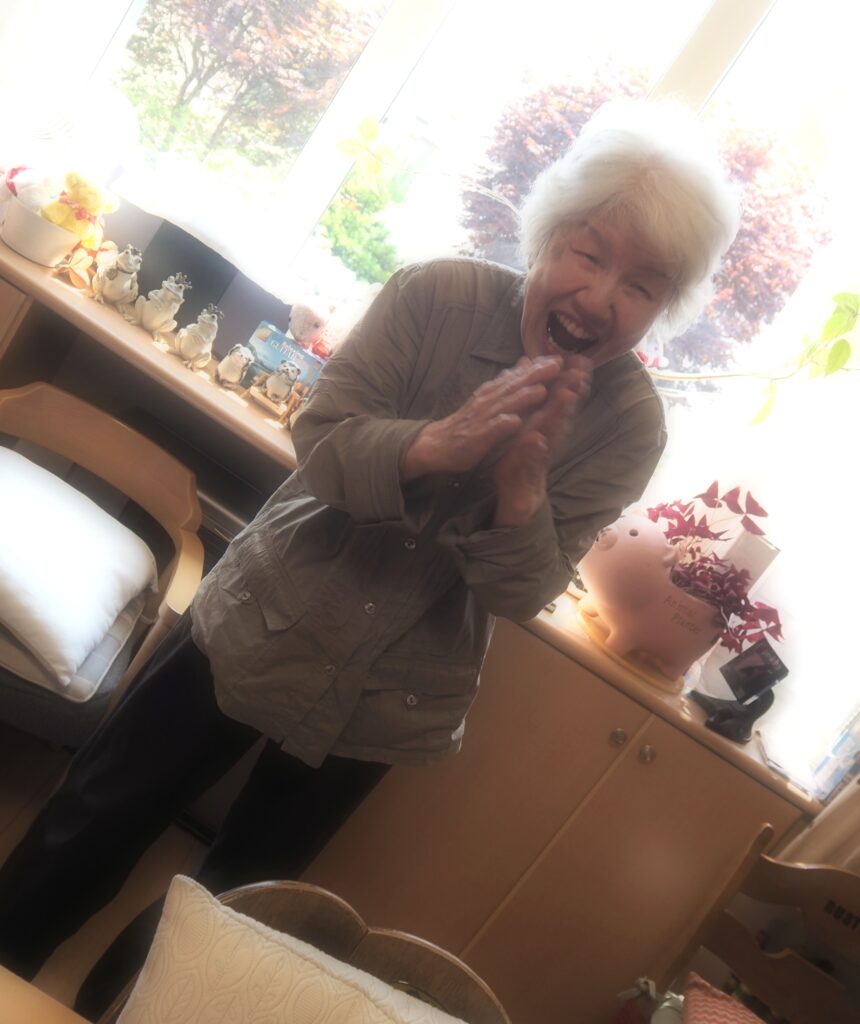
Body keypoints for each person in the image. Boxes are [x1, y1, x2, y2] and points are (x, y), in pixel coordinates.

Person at [0, 99, 740, 1013]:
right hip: (259, 620)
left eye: (642, 285)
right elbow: (322, 440)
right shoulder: (436, 297)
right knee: (93, 822)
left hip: (392, 700)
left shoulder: (629, 425)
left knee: (235, 913)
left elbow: (525, 589)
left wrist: (521, 495)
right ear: (549, 235)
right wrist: (435, 446)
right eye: (588, 255)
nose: (599, 298)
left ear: (665, 307)